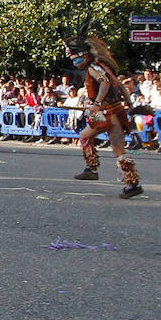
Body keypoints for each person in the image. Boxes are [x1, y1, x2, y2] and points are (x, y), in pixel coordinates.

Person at [61, 21, 142, 198]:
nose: (74, 62)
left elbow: (105, 82)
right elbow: (119, 85)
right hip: (115, 110)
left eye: (75, 57)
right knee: (108, 144)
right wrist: (129, 105)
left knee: (96, 140)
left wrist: (97, 103)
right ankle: (119, 178)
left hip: (108, 112)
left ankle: (100, 171)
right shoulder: (102, 66)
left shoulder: (94, 67)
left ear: (83, 55)